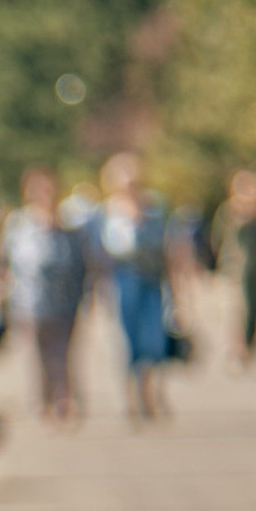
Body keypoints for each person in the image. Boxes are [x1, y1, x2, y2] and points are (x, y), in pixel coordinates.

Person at [3, 165, 89, 420]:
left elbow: (80, 260)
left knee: (63, 351)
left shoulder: (69, 224)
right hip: (31, 299)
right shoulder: (19, 223)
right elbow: (15, 260)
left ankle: (65, 399)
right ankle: (43, 399)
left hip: (65, 297)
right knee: (38, 352)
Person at [97, 150, 176, 421]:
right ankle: (131, 397)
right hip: (123, 280)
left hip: (151, 280)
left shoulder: (155, 209)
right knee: (128, 341)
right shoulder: (107, 212)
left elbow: (168, 248)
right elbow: (102, 254)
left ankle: (153, 392)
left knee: (153, 340)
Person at [209, 167, 256, 366]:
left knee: (255, 306)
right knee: (237, 307)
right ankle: (237, 348)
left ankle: (252, 344)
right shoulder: (229, 211)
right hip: (234, 267)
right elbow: (217, 238)